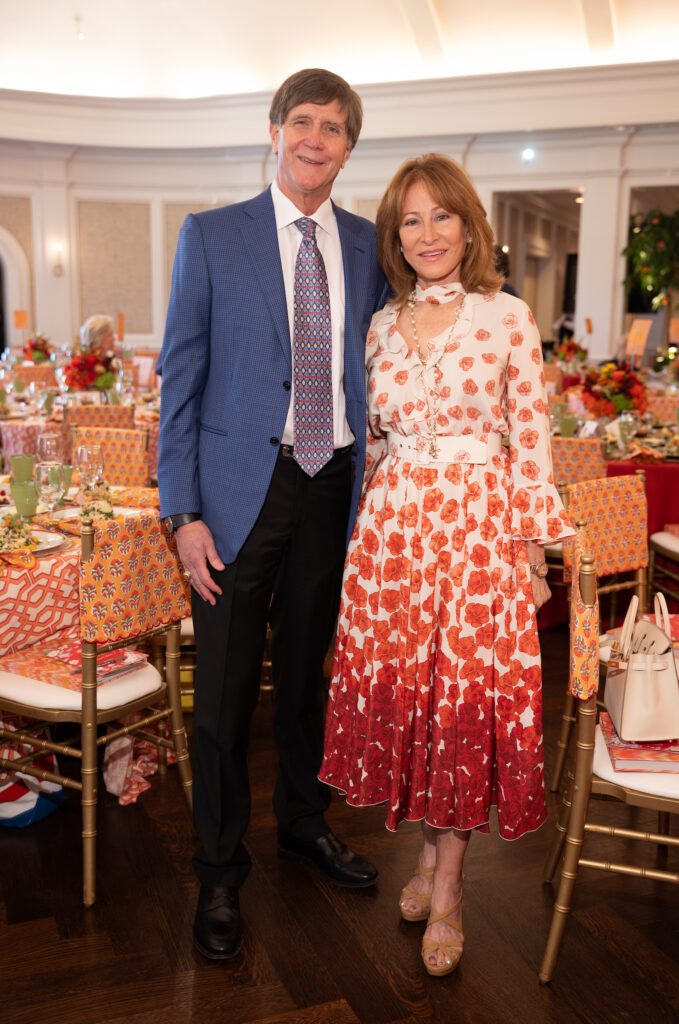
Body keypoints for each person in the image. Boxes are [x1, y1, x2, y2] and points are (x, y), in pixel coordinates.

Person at [319, 154, 574, 977]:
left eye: (441, 216)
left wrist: (529, 550)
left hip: (476, 534)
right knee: (414, 701)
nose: (427, 234)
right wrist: (358, 547)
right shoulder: (377, 327)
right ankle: (426, 857)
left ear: (468, 226)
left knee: (461, 701)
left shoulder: (506, 316)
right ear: (395, 238)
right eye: (410, 221)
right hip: (393, 539)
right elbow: (373, 446)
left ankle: (451, 885)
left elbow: (530, 439)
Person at [157, 68, 386, 962]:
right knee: (220, 694)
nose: (314, 138)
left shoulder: (368, 245)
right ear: (274, 129)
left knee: (303, 677)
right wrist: (182, 511)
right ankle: (218, 870)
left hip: (332, 486)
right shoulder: (211, 234)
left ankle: (302, 821)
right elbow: (181, 380)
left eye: (332, 127)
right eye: (302, 121)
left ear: (348, 146)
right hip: (232, 497)